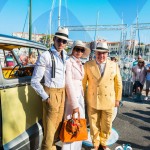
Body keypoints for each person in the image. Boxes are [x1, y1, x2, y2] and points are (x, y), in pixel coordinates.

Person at [31, 27, 69, 150]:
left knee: (57, 128)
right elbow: (34, 81)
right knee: (49, 130)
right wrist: (46, 97)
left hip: (62, 93)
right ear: (54, 39)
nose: (61, 43)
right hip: (51, 93)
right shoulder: (45, 56)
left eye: (64, 41)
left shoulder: (65, 55)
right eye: (59, 40)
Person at [82, 42, 122, 150]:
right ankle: (95, 143)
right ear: (95, 53)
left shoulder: (114, 65)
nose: (101, 56)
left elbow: (118, 83)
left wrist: (118, 99)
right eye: (99, 53)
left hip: (109, 99)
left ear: (107, 53)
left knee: (107, 123)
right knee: (93, 123)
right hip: (93, 99)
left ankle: (104, 142)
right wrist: (83, 98)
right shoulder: (88, 65)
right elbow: (83, 83)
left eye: (104, 53)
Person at [61, 40, 90, 150]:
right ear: (72, 50)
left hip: (79, 96)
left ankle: (77, 147)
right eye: (77, 49)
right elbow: (68, 82)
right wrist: (74, 104)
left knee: (79, 123)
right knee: (70, 124)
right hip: (72, 97)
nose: (79, 52)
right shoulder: (69, 62)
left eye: (81, 50)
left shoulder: (79, 62)